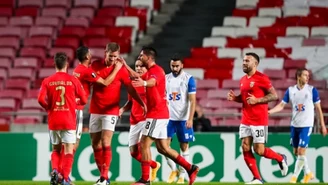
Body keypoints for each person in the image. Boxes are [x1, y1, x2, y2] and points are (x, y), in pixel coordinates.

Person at [124, 47, 199, 185]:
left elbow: (153, 82)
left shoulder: (157, 71)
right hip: (161, 114)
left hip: (156, 114)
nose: (140, 57)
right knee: (163, 148)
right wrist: (124, 65)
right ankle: (190, 168)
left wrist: (145, 83)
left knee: (144, 144)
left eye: (142, 55)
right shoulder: (149, 72)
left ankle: (145, 180)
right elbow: (137, 76)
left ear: (149, 58)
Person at [227, 52, 288, 184]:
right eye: (243, 60)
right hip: (246, 119)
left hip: (259, 120)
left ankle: (280, 158)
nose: (244, 63)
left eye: (247, 61)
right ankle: (257, 179)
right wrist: (236, 98)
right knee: (245, 147)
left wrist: (258, 100)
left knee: (259, 150)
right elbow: (245, 100)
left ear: (255, 63)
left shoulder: (262, 78)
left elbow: (274, 96)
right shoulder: (243, 80)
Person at [89, 43, 146, 185]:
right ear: (105, 53)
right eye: (111, 56)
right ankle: (104, 177)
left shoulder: (121, 70)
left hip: (111, 111)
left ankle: (103, 178)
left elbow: (131, 89)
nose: (113, 59)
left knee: (105, 142)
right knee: (95, 144)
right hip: (95, 109)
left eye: (115, 57)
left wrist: (141, 103)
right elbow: (99, 83)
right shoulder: (95, 65)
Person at [268, 68, 327, 183]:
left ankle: (294, 178)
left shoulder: (312, 90)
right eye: (305, 75)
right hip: (295, 125)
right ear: (299, 77)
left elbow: (318, 109)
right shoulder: (290, 90)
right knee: (296, 152)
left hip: (307, 125)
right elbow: (281, 106)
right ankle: (308, 173)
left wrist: (322, 125)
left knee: (301, 152)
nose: (308, 77)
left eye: (308, 75)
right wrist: (270, 112)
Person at [38, 52, 87, 185]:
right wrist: (73, 103)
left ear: (54, 64)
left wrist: (49, 108)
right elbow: (84, 99)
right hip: (68, 120)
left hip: (54, 119)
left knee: (56, 149)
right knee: (68, 150)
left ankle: (55, 170)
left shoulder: (47, 81)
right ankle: (65, 178)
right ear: (67, 64)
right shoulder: (73, 80)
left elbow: (40, 99)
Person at [119, 59, 161, 182]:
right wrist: (122, 109)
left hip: (146, 119)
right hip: (134, 120)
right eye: (136, 66)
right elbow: (131, 101)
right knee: (133, 152)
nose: (138, 68)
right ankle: (154, 165)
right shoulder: (133, 83)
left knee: (144, 146)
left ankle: (145, 179)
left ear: (147, 69)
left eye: (141, 66)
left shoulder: (149, 83)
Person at [165, 54, 197, 184]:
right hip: (168, 119)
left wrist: (190, 119)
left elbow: (192, 100)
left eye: (177, 66)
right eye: (173, 65)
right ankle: (174, 169)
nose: (175, 68)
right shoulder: (166, 78)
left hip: (183, 119)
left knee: (184, 146)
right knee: (164, 147)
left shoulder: (188, 79)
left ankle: (182, 176)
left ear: (182, 65)